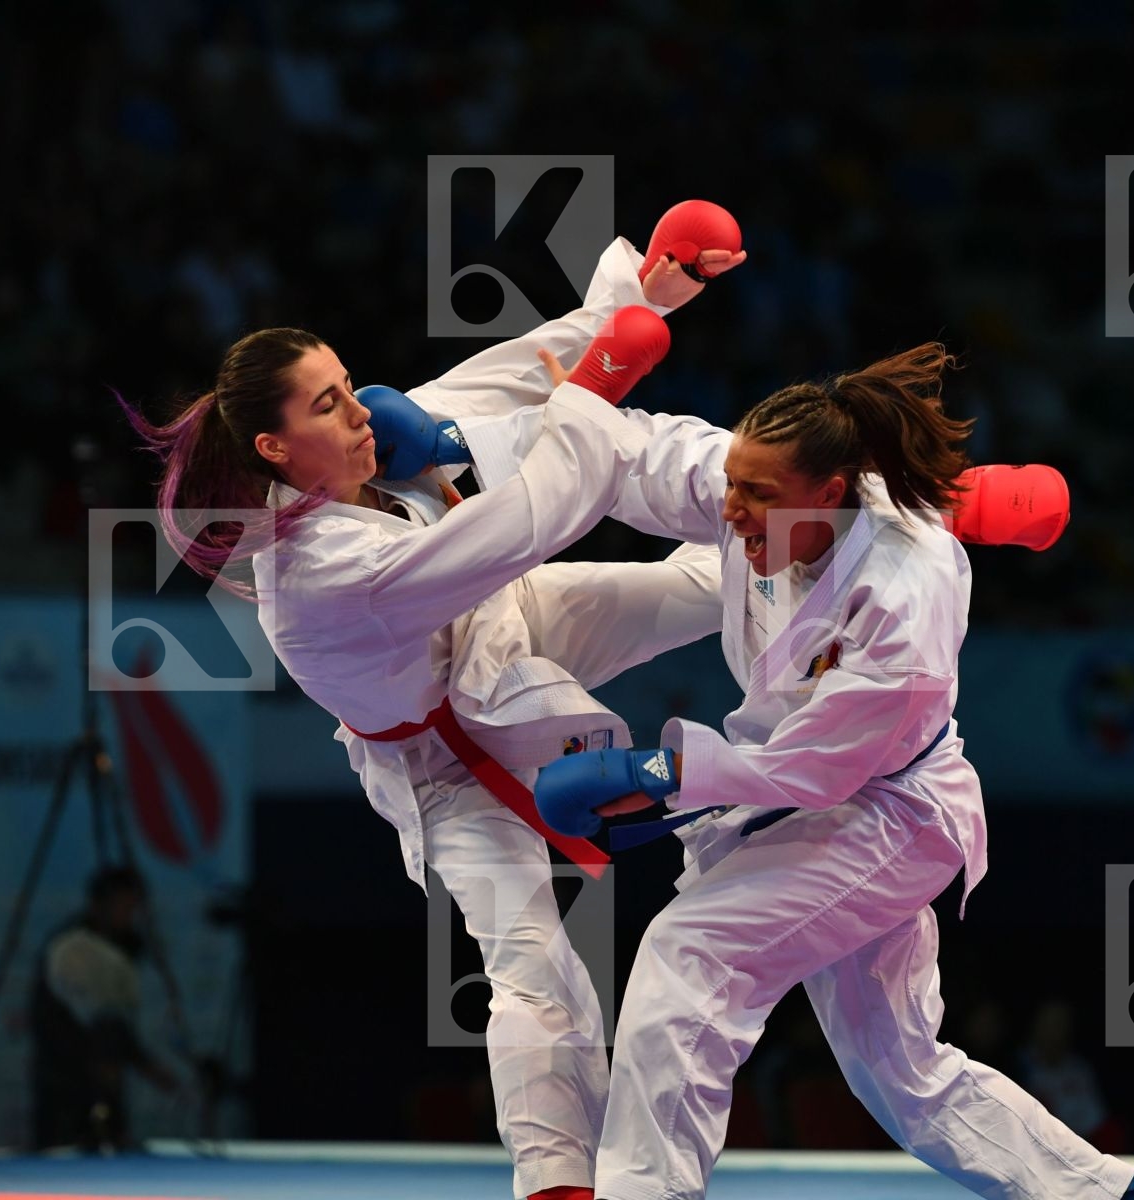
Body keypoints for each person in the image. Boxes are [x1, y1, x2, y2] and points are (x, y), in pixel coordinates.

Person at [123, 200, 747, 1200]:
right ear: (277, 451)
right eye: (327, 407)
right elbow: (531, 517)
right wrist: (599, 389)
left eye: (345, 386)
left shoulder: (375, 444)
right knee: (533, 963)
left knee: (707, 585)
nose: (359, 411)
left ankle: (881, 512)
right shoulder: (320, 574)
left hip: (501, 627)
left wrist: (645, 288)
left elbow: (516, 371)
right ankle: (558, 1186)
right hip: (440, 759)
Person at [526, 344, 1134, 1200]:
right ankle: (1120, 1195)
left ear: (829, 496)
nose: (729, 510)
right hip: (809, 798)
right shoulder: (761, 484)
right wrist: (452, 441)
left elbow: (816, 765)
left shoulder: (905, 590)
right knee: (900, 1070)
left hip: (887, 813)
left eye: (756, 497)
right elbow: (633, 456)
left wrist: (654, 773)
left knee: (691, 954)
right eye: (731, 486)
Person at [31, 865, 182, 1153]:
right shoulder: (73, 950)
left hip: (103, 1092)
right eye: (125, 907)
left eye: (135, 908)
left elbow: (114, 1026)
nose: (131, 916)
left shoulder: (119, 949)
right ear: (99, 905)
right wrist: (147, 1066)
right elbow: (102, 1025)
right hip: (67, 1090)